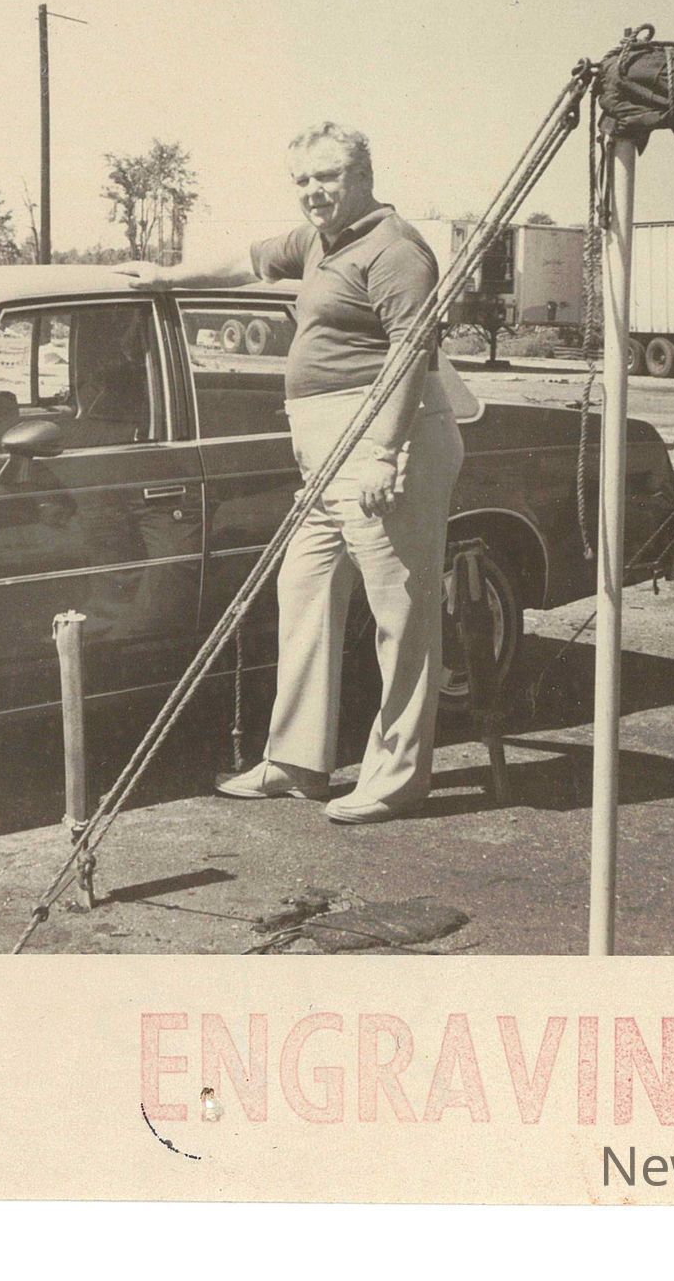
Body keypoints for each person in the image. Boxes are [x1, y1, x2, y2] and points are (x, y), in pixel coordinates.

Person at [119, 123, 463, 824]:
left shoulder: (395, 249)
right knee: (303, 590)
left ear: (362, 176)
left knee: (401, 613)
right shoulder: (319, 242)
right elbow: (246, 261)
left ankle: (398, 778)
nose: (313, 192)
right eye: (302, 180)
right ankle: (298, 763)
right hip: (325, 451)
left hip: (381, 439)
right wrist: (167, 276)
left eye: (327, 177)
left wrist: (386, 452)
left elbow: (411, 351)